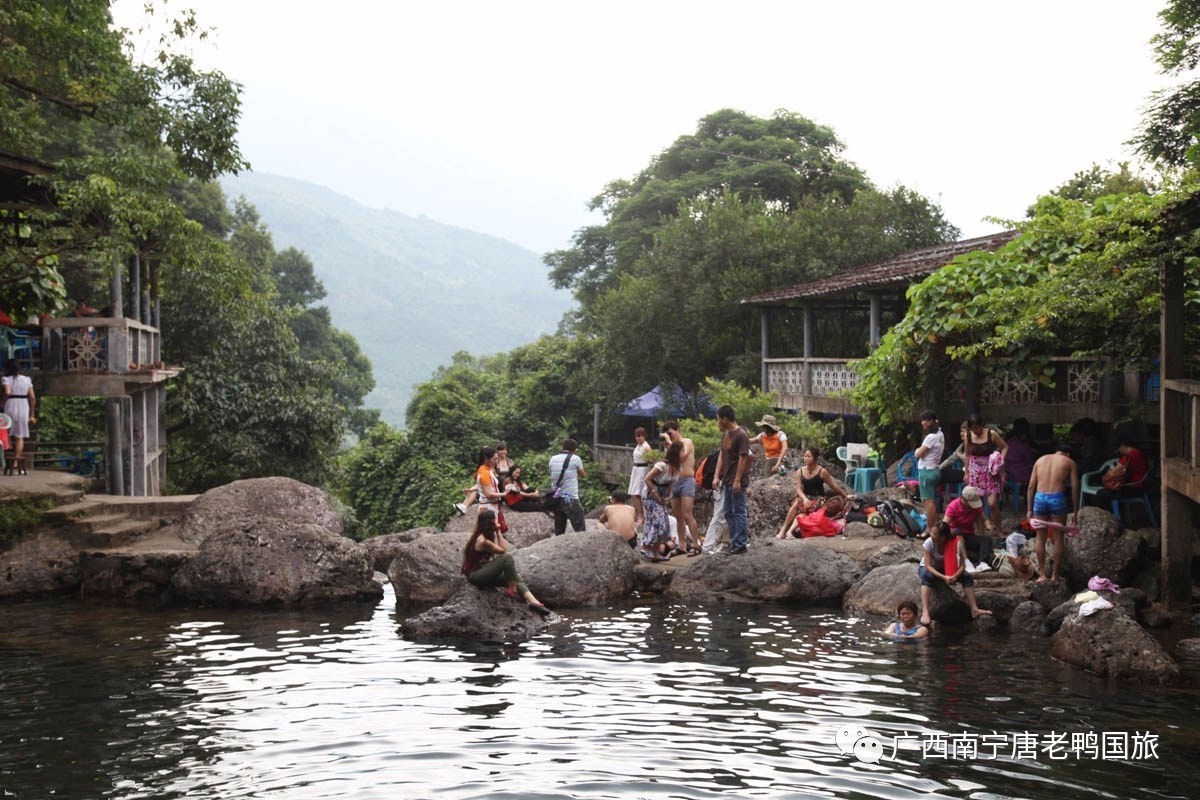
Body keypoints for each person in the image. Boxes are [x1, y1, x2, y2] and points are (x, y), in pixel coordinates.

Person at [461, 509, 549, 614]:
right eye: (495, 519)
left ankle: (534, 602)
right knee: (507, 558)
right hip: (475, 575)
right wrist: (498, 531)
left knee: (515, 576)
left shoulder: (480, 532)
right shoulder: (483, 541)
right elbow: (503, 550)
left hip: (482, 571)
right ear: (491, 522)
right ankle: (512, 589)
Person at [918, 521, 992, 626]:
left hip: (949, 570)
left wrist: (955, 576)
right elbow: (928, 566)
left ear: (943, 537)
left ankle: (974, 609)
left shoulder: (956, 543)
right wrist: (944, 577)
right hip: (932, 569)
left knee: (966, 577)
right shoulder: (929, 543)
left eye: (935, 534)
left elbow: (962, 565)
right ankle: (925, 611)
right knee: (927, 576)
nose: (931, 535)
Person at [1026, 444, 1080, 584]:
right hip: (1057, 498)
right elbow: (1075, 487)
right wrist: (1075, 510)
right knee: (1058, 538)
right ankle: (1055, 574)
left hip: (1040, 497)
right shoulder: (1069, 462)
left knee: (1040, 538)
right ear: (1068, 454)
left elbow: (1031, 486)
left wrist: (1029, 509)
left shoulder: (1040, 460)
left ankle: (1042, 574)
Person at [775, 447, 847, 538]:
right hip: (805, 497)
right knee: (797, 504)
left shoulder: (822, 471)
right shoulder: (800, 471)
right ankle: (784, 530)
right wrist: (804, 499)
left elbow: (833, 485)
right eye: (805, 456)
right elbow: (798, 489)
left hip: (819, 498)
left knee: (804, 509)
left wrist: (845, 495)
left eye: (809, 456)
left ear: (815, 458)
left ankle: (789, 531)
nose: (806, 458)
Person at [956, 413, 1007, 533]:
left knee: (992, 503)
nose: (976, 431)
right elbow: (968, 455)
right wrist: (966, 472)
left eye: (977, 428)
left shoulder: (991, 434)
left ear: (981, 426)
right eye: (973, 428)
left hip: (990, 471)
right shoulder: (968, 436)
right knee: (978, 505)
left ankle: (999, 530)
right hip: (975, 472)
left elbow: (1004, 447)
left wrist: (1000, 460)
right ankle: (981, 532)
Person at [717, 405, 751, 555]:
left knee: (738, 511)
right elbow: (722, 455)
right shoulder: (726, 434)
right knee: (728, 512)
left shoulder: (741, 435)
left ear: (725, 419)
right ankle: (734, 541)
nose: (717, 422)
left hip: (736, 479)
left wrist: (737, 480)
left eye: (718, 419)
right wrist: (717, 475)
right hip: (726, 479)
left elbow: (743, 458)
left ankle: (740, 543)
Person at [663, 420, 700, 552]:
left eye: (670, 433)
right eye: (667, 434)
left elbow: (682, 457)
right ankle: (682, 545)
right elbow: (670, 465)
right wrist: (669, 487)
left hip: (687, 480)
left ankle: (696, 543)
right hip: (675, 481)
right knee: (678, 515)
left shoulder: (687, 442)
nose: (670, 436)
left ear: (677, 430)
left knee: (687, 514)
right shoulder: (669, 446)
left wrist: (669, 443)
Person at [642, 441, 683, 559]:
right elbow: (647, 479)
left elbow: (671, 483)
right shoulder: (662, 465)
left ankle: (655, 552)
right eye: (682, 451)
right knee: (656, 522)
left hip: (663, 496)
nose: (684, 453)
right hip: (651, 495)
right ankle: (649, 550)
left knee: (664, 524)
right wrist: (655, 494)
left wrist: (669, 496)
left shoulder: (677, 467)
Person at [942, 486, 991, 569]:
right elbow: (944, 524)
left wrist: (988, 525)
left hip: (968, 534)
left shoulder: (976, 508)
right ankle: (966, 561)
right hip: (955, 536)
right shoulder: (953, 506)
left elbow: (985, 519)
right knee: (958, 532)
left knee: (986, 540)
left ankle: (983, 562)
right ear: (964, 500)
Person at [2, 362, 36, 476]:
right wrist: (32, 412)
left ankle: (5, 460)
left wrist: (2, 402)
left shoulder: (6, 379)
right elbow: (32, 397)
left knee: (5, 432)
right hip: (23, 405)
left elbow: (7, 392)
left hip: (11, 404)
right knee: (19, 436)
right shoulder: (26, 379)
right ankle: (16, 461)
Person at [914, 409, 944, 535]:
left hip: (927, 471)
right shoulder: (940, 434)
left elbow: (919, 453)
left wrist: (917, 450)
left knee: (928, 501)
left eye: (924, 420)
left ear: (931, 421)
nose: (922, 423)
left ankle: (930, 528)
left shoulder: (931, 437)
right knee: (928, 500)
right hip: (935, 469)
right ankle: (932, 526)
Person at [548, 438, 587, 535]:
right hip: (571, 498)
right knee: (580, 529)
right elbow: (583, 475)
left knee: (559, 529)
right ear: (575, 449)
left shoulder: (553, 458)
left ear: (562, 448)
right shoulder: (576, 459)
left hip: (556, 498)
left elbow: (551, 473)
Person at [473, 446, 507, 530]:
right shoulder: (484, 473)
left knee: (495, 530)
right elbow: (488, 494)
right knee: (487, 532)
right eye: (494, 459)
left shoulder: (488, 470)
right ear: (486, 459)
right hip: (487, 506)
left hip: (492, 506)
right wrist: (505, 494)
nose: (496, 461)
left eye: (497, 459)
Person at [627, 427, 651, 526]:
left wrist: (647, 458)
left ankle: (642, 516)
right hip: (635, 469)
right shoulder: (638, 445)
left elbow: (651, 460)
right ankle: (640, 514)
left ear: (644, 436)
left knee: (639, 493)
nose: (638, 438)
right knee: (633, 492)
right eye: (636, 436)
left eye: (640, 436)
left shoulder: (646, 446)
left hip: (643, 469)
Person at [1004, 417, 1035, 489]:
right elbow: (1030, 462)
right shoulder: (1023, 445)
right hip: (1019, 476)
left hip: (1007, 473)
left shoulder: (1007, 441)